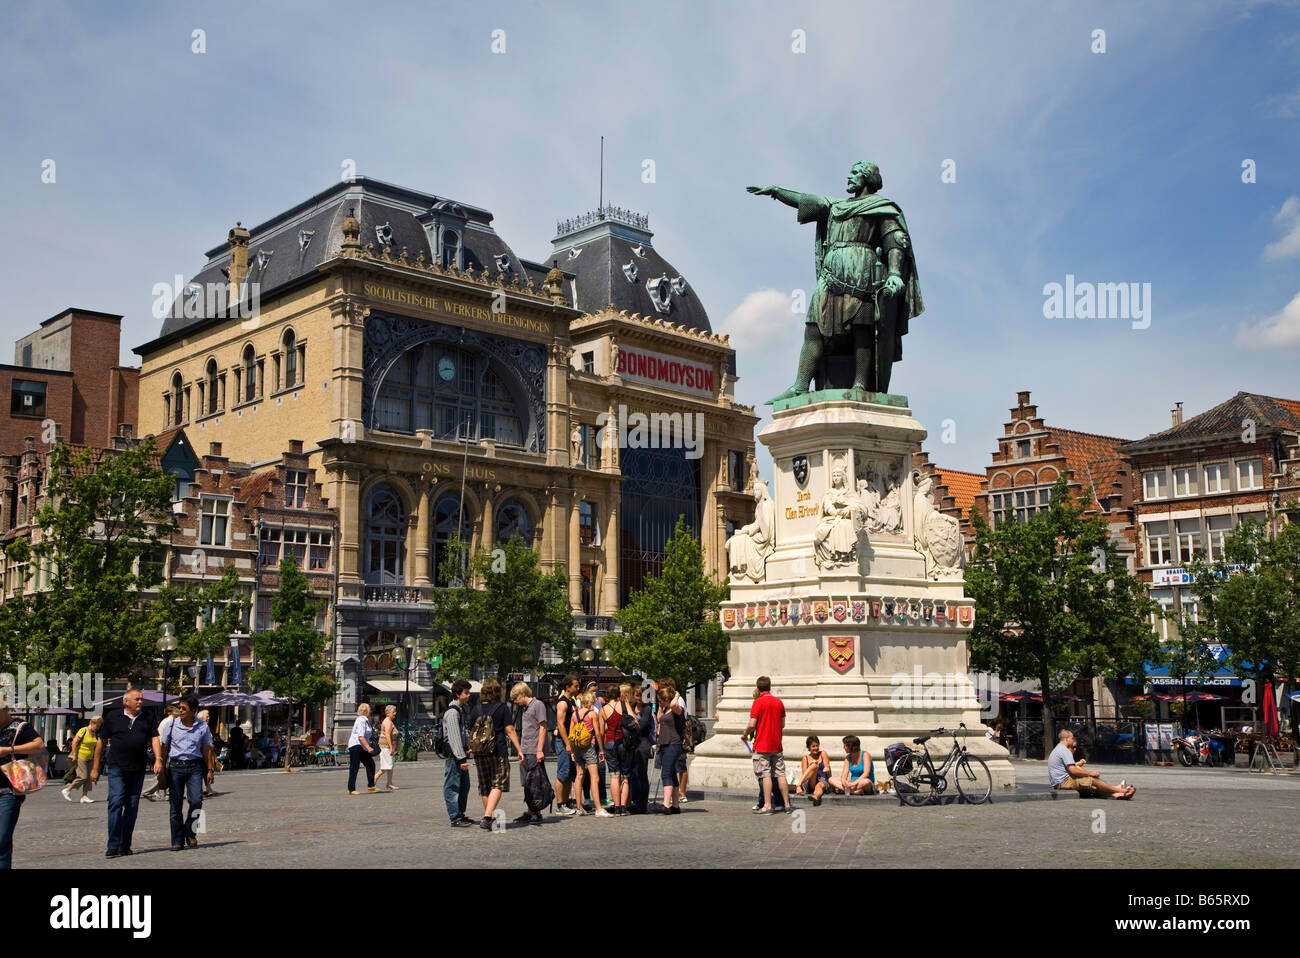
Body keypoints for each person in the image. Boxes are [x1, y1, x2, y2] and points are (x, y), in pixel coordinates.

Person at [92, 688, 162, 858]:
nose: (140, 702)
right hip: (116, 767)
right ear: (126, 701)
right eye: (137, 699)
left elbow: (154, 738)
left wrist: (158, 758)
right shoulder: (113, 717)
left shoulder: (148, 716)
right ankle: (113, 845)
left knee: (131, 806)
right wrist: (95, 768)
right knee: (115, 803)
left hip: (137, 768)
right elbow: (101, 742)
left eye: (141, 699)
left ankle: (125, 844)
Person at [160, 693, 215, 851]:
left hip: (195, 767)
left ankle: (190, 832)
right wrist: (162, 768)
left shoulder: (202, 727)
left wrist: (210, 770)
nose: (180, 711)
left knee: (197, 801)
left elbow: (207, 750)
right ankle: (177, 840)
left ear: (193, 711)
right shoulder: (172, 724)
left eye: (184, 708)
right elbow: (165, 747)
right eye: (179, 708)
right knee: (175, 805)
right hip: (176, 767)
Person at [468, 678, 523, 829]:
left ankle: (489, 818)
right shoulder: (502, 708)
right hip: (498, 750)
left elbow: (470, 730)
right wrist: (519, 749)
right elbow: (510, 730)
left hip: (479, 752)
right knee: (498, 783)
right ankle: (487, 817)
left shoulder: (475, 709)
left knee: (485, 785)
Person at [0, 700, 45, 869]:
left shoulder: (19, 726)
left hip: (9, 791)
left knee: (2, 839)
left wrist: (9, 750)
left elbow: (39, 745)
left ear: (5, 709)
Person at [744, 676, 790, 814]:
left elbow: (752, 724)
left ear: (758, 688)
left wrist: (745, 733)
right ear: (770, 687)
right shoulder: (778, 702)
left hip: (762, 744)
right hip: (776, 744)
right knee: (780, 774)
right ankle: (787, 804)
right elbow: (782, 724)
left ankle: (767, 805)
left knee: (765, 775)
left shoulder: (758, 703)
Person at [1049, 729, 1134, 798]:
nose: (1073, 739)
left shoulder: (1058, 748)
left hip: (1059, 782)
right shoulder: (1065, 750)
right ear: (1067, 739)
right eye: (1072, 738)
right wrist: (1090, 773)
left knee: (1092, 785)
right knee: (1092, 780)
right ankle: (1120, 790)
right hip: (1063, 782)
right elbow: (1073, 770)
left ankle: (1114, 794)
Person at [510, 682, 548, 825]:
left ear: (523, 694)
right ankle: (532, 810)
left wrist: (539, 750)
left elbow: (543, 727)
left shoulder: (538, 705)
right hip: (526, 749)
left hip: (533, 749)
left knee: (534, 781)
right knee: (527, 782)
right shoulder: (525, 708)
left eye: (516, 698)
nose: (515, 701)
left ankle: (535, 811)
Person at [570, 688, 610, 817]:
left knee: (579, 776)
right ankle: (598, 808)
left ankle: (579, 807)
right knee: (595, 777)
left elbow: (571, 733)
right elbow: (597, 733)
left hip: (577, 747)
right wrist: (601, 750)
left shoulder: (574, 714)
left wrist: (571, 749)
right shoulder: (592, 714)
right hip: (589, 746)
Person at [600, 682, 636, 816]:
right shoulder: (624, 705)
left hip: (609, 742)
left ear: (608, 695)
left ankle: (615, 806)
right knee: (625, 777)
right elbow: (634, 721)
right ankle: (622, 807)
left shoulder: (604, 710)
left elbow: (601, 731)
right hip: (624, 742)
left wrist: (601, 749)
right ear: (619, 694)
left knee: (614, 776)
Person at [442, 680, 473, 827]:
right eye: (466, 692)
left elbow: (461, 734)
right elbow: (454, 737)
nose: (468, 695)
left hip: (459, 755)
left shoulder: (460, 710)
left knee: (464, 785)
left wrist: (466, 747)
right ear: (457, 694)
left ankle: (460, 813)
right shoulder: (453, 712)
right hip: (454, 757)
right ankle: (455, 816)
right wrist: (461, 759)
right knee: (453, 786)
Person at [552, 674, 579, 815]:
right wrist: (567, 743)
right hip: (563, 741)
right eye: (575, 685)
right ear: (568, 687)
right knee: (562, 772)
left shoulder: (572, 702)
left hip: (570, 742)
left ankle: (567, 802)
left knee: (569, 773)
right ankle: (560, 804)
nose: (578, 688)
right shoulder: (562, 703)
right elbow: (561, 725)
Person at [655, 686, 685, 814]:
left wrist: (677, 695)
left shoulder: (677, 709)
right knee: (672, 773)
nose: (659, 702)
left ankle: (666, 804)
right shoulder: (666, 709)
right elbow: (659, 718)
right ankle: (676, 805)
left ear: (667, 699)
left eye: (661, 700)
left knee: (666, 773)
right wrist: (661, 707)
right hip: (664, 743)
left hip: (673, 744)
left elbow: (673, 704)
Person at [61, 716, 103, 804]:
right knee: (82, 776)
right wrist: (75, 755)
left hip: (90, 757)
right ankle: (68, 789)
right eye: (97, 725)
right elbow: (74, 742)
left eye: (99, 726)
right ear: (92, 723)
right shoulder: (83, 730)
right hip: (81, 756)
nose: (98, 727)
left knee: (88, 778)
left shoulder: (94, 733)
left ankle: (84, 796)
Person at [627, 685, 655, 814]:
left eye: (641, 696)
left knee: (641, 773)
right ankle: (634, 801)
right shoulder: (632, 706)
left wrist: (631, 724)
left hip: (643, 743)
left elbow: (642, 726)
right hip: (632, 743)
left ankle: (642, 804)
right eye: (637, 695)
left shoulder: (647, 709)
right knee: (633, 774)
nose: (639, 698)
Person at [142, 703, 177, 802]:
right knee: (164, 771)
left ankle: (168, 792)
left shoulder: (166, 721)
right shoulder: (170, 721)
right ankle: (149, 791)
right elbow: (165, 739)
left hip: (164, 749)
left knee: (167, 771)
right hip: (165, 749)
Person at [665, 679, 691, 802]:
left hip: (678, 737)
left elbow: (681, 715)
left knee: (681, 766)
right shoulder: (667, 702)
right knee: (673, 767)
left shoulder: (678, 700)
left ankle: (682, 793)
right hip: (671, 737)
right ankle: (673, 794)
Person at [346, 703, 379, 795]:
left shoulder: (366, 720)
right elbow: (360, 736)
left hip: (362, 746)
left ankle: (371, 786)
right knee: (354, 766)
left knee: (370, 764)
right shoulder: (361, 720)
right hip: (356, 745)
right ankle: (351, 788)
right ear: (365, 710)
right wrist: (368, 747)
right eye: (369, 709)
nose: (371, 710)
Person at [797, 735, 834, 806]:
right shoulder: (805, 758)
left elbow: (827, 766)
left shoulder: (823, 753)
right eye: (813, 746)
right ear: (809, 747)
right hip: (810, 782)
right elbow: (805, 775)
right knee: (814, 765)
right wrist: (812, 766)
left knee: (819, 785)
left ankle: (815, 797)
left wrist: (826, 767)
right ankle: (798, 785)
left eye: (817, 746)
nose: (816, 748)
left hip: (822, 780)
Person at [376, 704, 399, 791]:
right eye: (393, 712)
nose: (395, 713)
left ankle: (389, 783)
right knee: (385, 767)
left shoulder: (387, 720)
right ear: (388, 713)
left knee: (390, 765)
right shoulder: (388, 722)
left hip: (385, 746)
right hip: (386, 746)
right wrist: (391, 747)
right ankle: (373, 781)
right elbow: (388, 735)